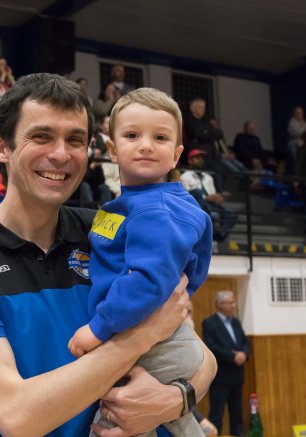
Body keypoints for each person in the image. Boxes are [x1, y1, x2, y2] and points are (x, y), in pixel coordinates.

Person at [0, 73, 217, 437]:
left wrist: (176, 400)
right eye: (41, 137)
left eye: (75, 140)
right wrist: (140, 339)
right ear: (1, 147)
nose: (60, 155)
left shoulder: (111, 229)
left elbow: (203, 358)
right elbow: (16, 416)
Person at [67, 88, 212, 437]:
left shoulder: (157, 210)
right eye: (132, 135)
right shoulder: (130, 204)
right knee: (176, 423)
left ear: (176, 154)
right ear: (112, 149)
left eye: (160, 137)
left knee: (112, 426)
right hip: (157, 338)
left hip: (159, 346)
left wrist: (99, 327)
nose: (146, 145)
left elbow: (148, 279)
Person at [201, 290, 250, 437]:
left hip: (237, 376)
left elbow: (245, 342)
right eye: (230, 303)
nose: (234, 305)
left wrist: (244, 354)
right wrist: (232, 356)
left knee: (237, 417)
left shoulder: (235, 322)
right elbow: (211, 347)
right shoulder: (209, 323)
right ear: (219, 304)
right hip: (220, 377)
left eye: (233, 302)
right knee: (217, 416)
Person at [181, 149, 238, 245]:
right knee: (199, 195)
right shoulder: (184, 177)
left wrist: (217, 198)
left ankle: (217, 236)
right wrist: (206, 198)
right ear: (190, 161)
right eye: (197, 158)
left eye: (202, 158)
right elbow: (186, 197)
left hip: (210, 204)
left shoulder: (208, 177)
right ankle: (210, 236)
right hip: (196, 205)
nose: (200, 160)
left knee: (232, 216)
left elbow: (212, 193)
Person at [184, 301, 218, 437]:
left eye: (189, 312)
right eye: (182, 310)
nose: (186, 316)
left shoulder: (190, 338)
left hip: (186, 407)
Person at [286, 105, 306, 175]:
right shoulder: (292, 122)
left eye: (301, 113)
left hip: (303, 146)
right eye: (298, 113)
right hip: (294, 146)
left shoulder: (304, 122)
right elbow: (297, 133)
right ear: (294, 114)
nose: (300, 115)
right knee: (297, 163)